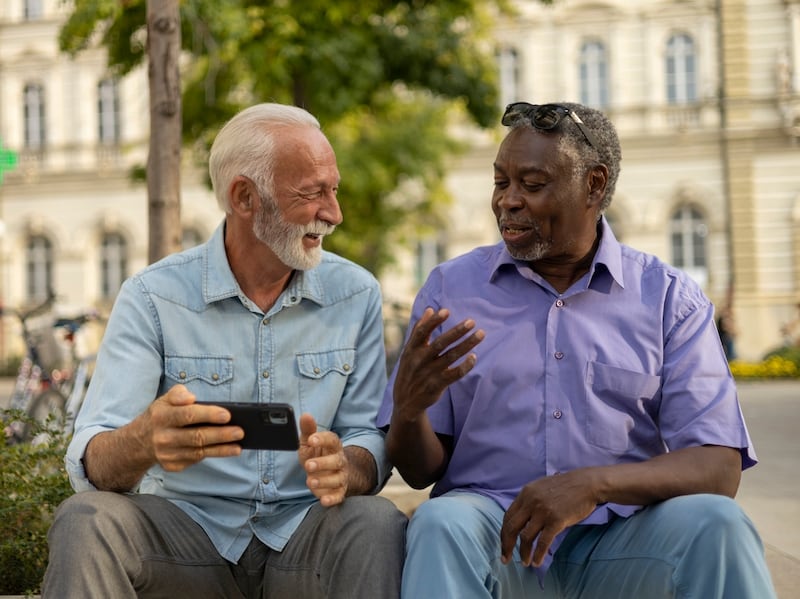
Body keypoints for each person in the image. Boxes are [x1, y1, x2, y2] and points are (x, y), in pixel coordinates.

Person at [379, 101, 776, 598]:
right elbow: (419, 471)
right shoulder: (450, 291)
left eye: (532, 184)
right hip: (495, 539)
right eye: (501, 182)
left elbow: (718, 467)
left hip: (624, 544)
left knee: (719, 523)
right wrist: (408, 411)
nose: (508, 201)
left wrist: (593, 486)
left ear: (593, 185)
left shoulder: (668, 299)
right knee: (439, 522)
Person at [42, 103, 406, 598]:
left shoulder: (355, 293)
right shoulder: (153, 296)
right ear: (244, 197)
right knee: (87, 519)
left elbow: (367, 434)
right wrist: (143, 440)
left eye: (333, 190)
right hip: (184, 537)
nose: (333, 213)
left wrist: (350, 465)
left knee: (376, 521)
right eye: (312, 193)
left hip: (305, 534)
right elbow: (94, 457)